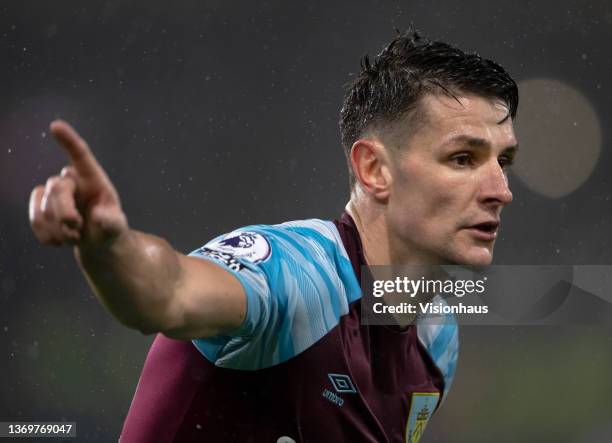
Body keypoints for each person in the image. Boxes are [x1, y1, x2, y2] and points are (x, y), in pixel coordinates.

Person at [28, 30, 518, 442]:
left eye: (504, 162)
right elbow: (168, 291)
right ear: (374, 169)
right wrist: (110, 246)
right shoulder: (296, 275)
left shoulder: (437, 339)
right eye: (462, 159)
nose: (501, 190)